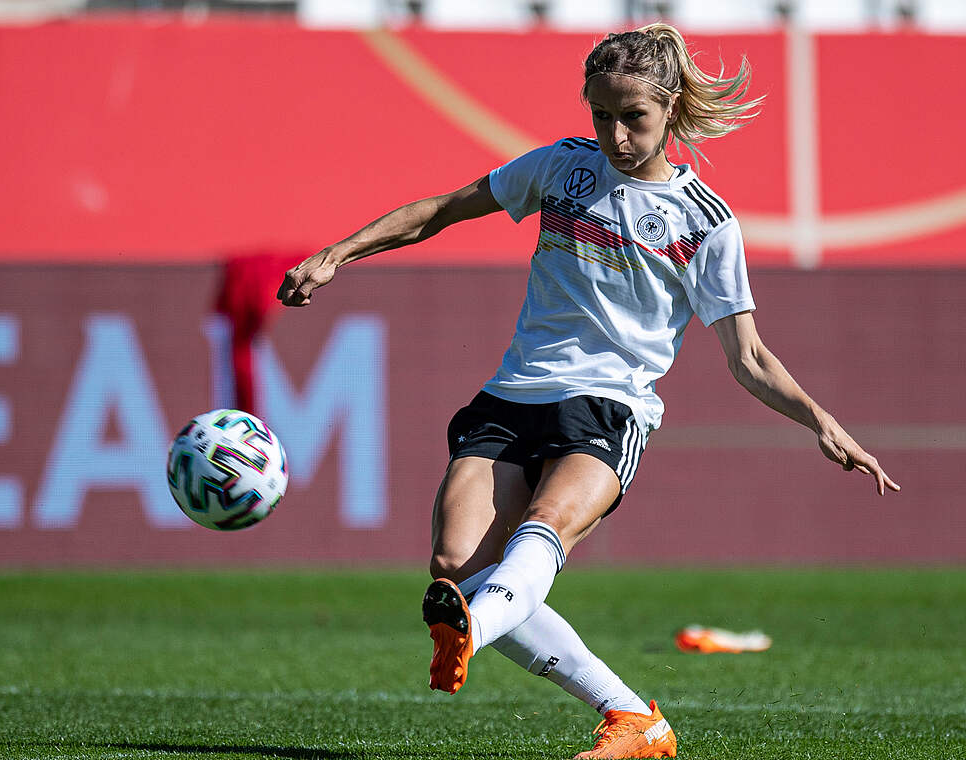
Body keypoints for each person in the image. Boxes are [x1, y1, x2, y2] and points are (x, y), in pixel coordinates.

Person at [276, 22, 899, 760]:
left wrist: (822, 422)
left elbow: (750, 356)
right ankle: (633, 718)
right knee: (455, 568)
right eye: (600, 115)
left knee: (542, 528)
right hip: (512, 395)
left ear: (670, 109)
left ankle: (476, 626)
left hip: (608, 407)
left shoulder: (704, 222)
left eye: (631, 116)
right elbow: (443, 209)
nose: (614, 133)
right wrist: (335, 255)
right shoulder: (561, 169)